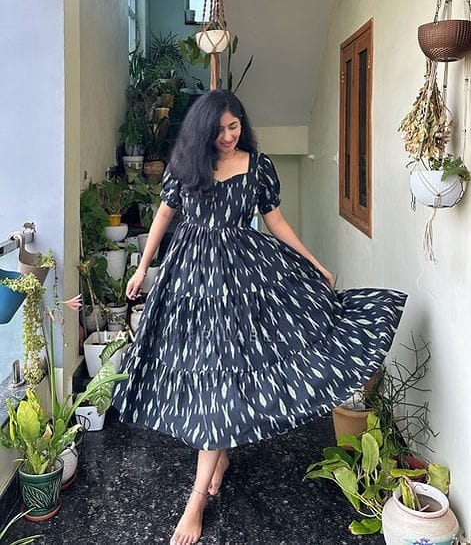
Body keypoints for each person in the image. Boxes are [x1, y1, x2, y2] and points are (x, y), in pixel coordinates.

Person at [113, 89, 406, 545]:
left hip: (240, 281)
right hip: (190, 283)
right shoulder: (185, 165)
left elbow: (275, 221)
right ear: (202, 131)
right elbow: (164, 216)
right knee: (204, 373)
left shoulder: (257, 167)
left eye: (234, 126)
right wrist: (142, 267)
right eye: (220, 129)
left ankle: (196, 501)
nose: (229, 136)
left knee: (221, 373)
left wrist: (313, 262)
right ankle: (219, 452)